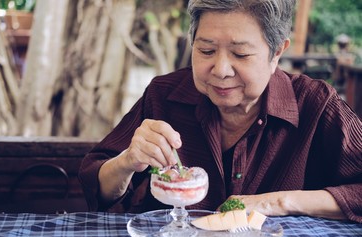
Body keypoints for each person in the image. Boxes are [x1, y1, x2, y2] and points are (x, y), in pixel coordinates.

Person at [79, 0, 362, 223]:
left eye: (240, 54)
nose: (221, 70)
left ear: (276, 53)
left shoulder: (315, 104)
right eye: (206, 50)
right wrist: (128, 160)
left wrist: (280, 202)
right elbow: (98, 188)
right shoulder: (163, 95)